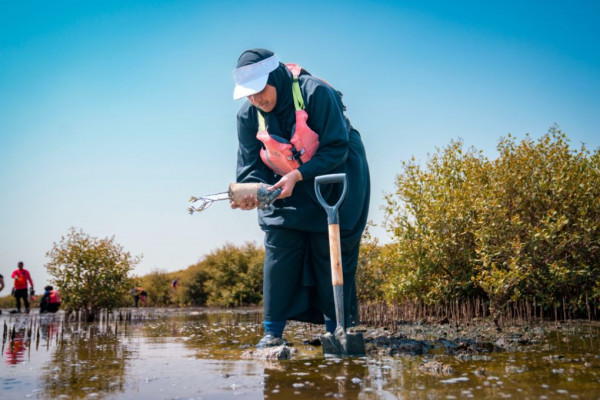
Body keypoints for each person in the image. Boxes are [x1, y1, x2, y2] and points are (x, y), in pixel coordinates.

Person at [231, 49, 370, 347]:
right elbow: (250, 170)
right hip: (282, 179)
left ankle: (337, 330)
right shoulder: (247, 115)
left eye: (259, 90)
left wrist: (299, 176)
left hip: (336, 171)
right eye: (248, 94)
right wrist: (251, 194)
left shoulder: (316, 93)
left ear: (275, 77)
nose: (255, 99)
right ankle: (272, 333)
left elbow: (336, 148)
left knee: (328, 245)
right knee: (280, 243)